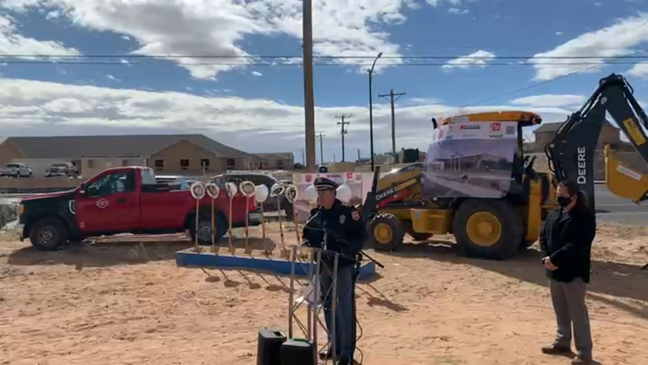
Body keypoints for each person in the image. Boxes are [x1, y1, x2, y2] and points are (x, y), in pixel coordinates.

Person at [301, 177, 365, 365]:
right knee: (328, 305)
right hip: (324, 264)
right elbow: (308, 234)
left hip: (343, 265)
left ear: (333, 193)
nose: (320, 196)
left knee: (344, 307)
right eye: (318, 193)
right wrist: (307, 243)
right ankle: (334, 345)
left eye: (323, 193)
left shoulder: (348, 213)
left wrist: (349, 250)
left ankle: (346, 352)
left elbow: (360, 236)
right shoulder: (317, 215)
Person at [539, 179, 596, 365]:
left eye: (562, 196)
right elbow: (543, 236)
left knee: (577, 312)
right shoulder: (555, 214)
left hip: (573, 271)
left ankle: (584, 353)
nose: (559, 199)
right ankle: (562, 342)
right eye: (558, 196)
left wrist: (554, 259)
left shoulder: (584, 217)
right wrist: (546, 258)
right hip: (554, 271)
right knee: (560, 309)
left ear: (574, 196)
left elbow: (577, 244)